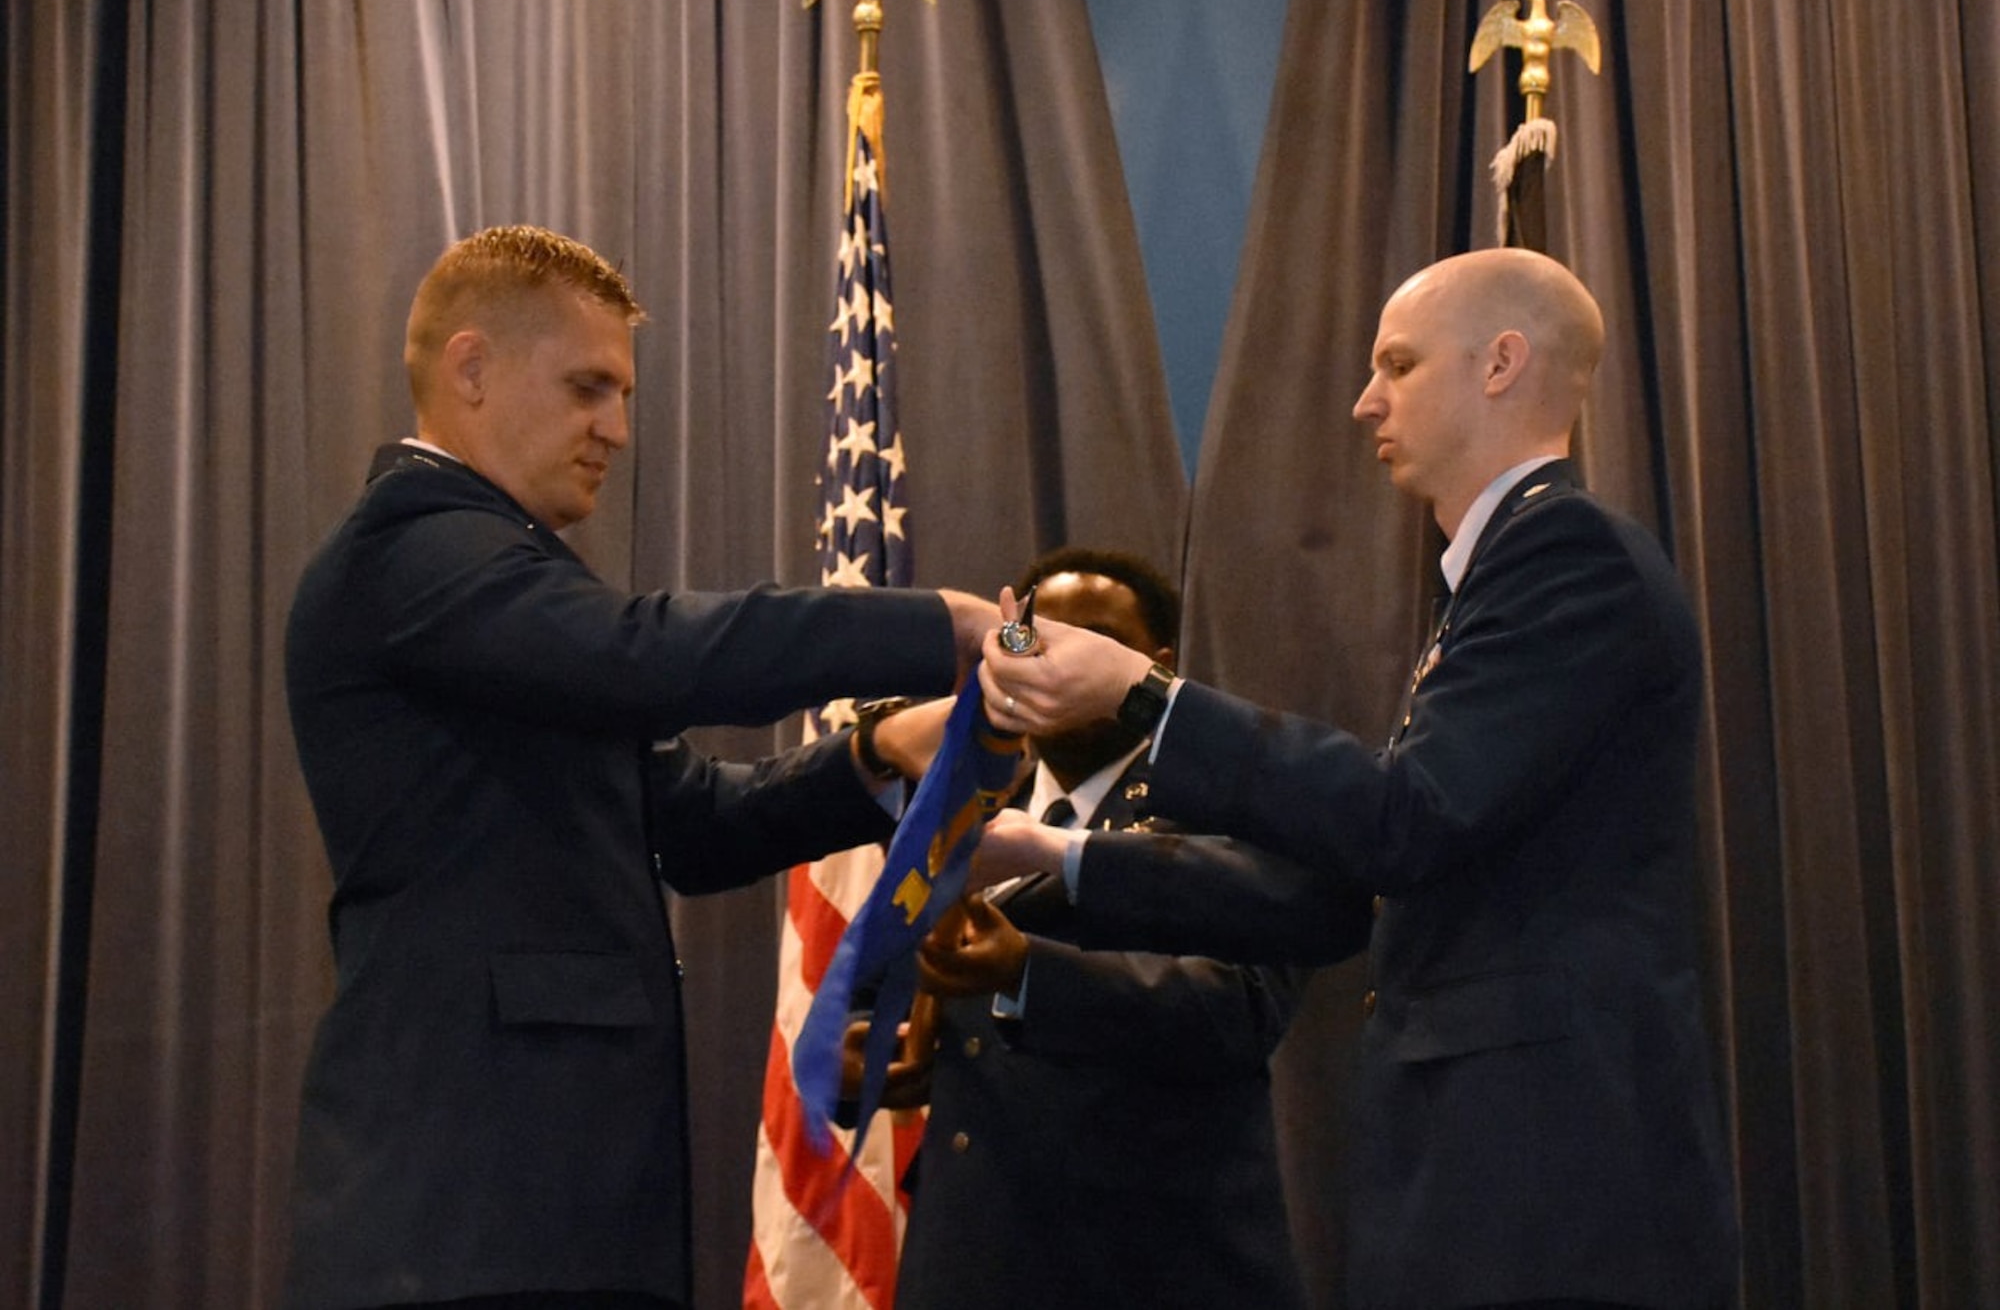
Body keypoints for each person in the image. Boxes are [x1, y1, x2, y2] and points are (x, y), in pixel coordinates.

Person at [968, 248, 1740, 1310]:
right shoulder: (1504, 573)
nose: (1361, 399)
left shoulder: (1566, 554)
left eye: (1397, 363)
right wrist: (1043, 850)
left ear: (1500, 363)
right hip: (1488, 1176)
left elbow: (1401, 821)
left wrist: (1145, 699)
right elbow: (1338, 895)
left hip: (1547, 1188)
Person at [282, 224, 995, 1310]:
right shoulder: (413, 549)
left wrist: (873, 754)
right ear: (470, 368)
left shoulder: (500, 583)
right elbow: (643, 655)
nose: (616, 428)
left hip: (542, 1222)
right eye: (586, 388)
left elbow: (688, 824)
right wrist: (932, 625)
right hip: (462, 1224)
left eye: (620, 394)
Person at [855, 547, 1330, 1310]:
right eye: (1032, 642)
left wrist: (1027, 973)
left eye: (1092, 644)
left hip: (1158, 1265)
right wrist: (872, 1057)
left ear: (1156, 665)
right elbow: (888, 981)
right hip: (972, 1260)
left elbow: (1238, 1006)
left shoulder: (1235, 803)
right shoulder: (958, 798)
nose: (1049, 666)